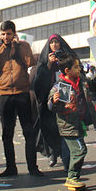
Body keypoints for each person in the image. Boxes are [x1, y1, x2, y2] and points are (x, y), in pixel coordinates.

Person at [0, 20, 42, 177]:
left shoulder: (23, 45)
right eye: (3, 34)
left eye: (8, 34)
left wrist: (17, 46)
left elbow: (30, 62)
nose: (5, 37)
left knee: (28, 131)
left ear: (14, 34)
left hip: (22, 92)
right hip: (5, 94)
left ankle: (33, 167)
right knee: (7, 133)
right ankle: (11, 167)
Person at [33, 34, 77, 167]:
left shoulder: (67, 57)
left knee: (64, 126)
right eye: (51, 43)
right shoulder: (44, 60)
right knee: (49, 127)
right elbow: (38, 79)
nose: (54, 45)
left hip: (64, 92)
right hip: (48, 96)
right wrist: (48, 64)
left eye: (56, 42)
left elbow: (75, 71)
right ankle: (52, 153)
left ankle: (66, 155)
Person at [47, 53, 89, 191]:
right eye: (76, 67)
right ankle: (72, 177)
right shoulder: (62, 86)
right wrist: (54, 102)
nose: (79, 69)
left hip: (78, 123)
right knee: (80, 150)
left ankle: (73, 177)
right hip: (68, 126)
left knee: (77, 150)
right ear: (67, 70)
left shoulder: (78, 81)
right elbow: (53, 107)